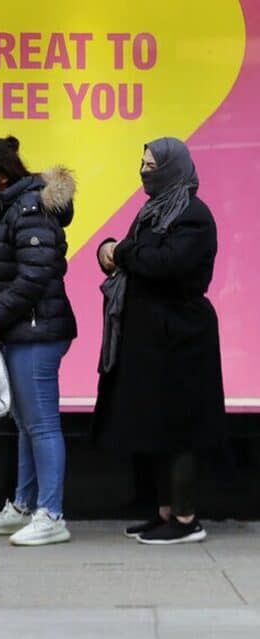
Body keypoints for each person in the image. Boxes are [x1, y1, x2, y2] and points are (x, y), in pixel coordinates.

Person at [94, 138, 225, 545]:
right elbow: (132, 254)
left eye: (152, 165)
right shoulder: (153, 211)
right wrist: (108, 250)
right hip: (151, 339)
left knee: (180, 428)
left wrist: (121, 251)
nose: (144, 171)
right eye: (143, 163)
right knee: (154, 426)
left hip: (182, 338)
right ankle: (164, 512)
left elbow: (166, 263)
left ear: (173, 168)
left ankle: (186, 520)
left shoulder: (193, 215)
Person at [0, 136, 77, 547]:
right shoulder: (2, 210)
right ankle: (25, 506)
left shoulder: (28, 209)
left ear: (2, 175)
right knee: (27, 425)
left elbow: (34, 277)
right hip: (19, 329)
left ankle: (51, 514)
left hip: (37, 331)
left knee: (41, 424)